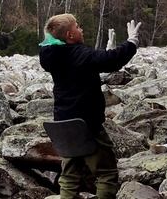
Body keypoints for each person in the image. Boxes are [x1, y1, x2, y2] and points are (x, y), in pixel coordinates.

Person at [39, 13, 141, 199]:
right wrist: (131, 42)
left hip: (63, 125)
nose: (81, 29)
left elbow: (88, 64)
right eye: (77, 27)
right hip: (87, 126)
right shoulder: (78, 54)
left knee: (69, 176)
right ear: (70, 35)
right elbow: (112, 60)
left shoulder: (50, 54)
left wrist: (106, 51)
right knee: (106, 173)